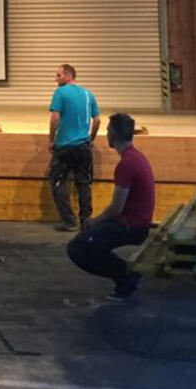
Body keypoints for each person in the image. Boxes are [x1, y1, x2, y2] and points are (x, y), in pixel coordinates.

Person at [66, 112, 154, 300]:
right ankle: (126, 274)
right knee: (90, 238)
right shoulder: (136, 157)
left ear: (114, 133)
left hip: (132, 226)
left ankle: (125, 277)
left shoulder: (126, 165)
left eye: (107, 130)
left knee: (78, 247)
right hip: (137, 222)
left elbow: (116, 208)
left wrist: (94, 221)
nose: (106, 134)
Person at [47, 63, 100, 231]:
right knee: (83, 183)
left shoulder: (60, 92)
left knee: (58, 181)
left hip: (65, 146)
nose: (56, 79)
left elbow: (55, 117)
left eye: (58, 75)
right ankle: (86, 220)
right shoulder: (88, 94)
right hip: (83, 146)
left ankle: (69, 221)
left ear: (68, 76)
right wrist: (91, 139)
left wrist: (51, 139)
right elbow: (97, 120)